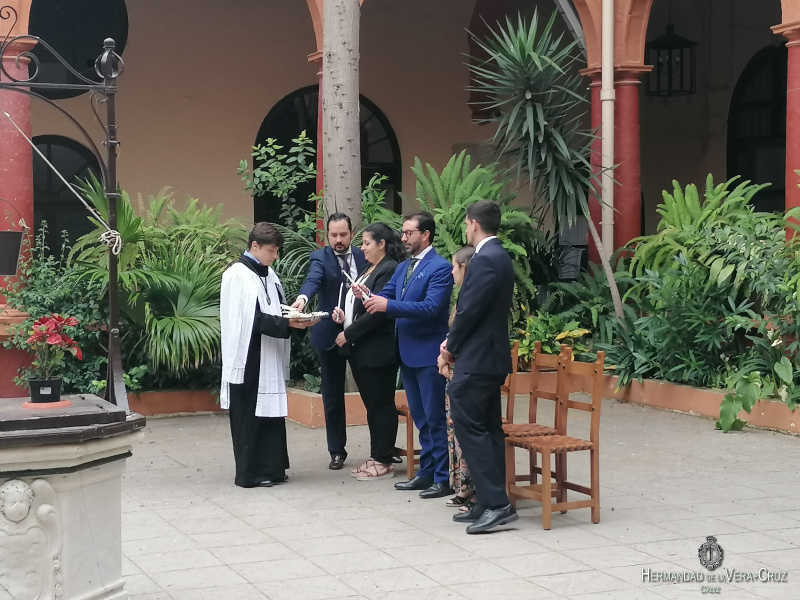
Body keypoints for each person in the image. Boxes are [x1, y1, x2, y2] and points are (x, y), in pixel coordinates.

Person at [362, 211, 454, 499]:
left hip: (428, 353)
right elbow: (386, 295)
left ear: (425, 234)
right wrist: (364, 294)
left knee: (434, 416)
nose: (402, 238)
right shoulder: (403, 267)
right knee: (421, 418)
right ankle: (426, 473)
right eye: (402, 233)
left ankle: (443, 477)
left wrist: (387, 306)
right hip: (406, 352)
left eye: (408, 233)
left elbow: (430, 308)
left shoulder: (440, 267)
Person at [220, 222, 316, 488]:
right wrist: (286, 324)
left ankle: (273, 468)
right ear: (255, 246)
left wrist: (294, 316)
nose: (275, 256)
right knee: (249, 414)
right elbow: (247, 319)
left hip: (268, 352)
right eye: (271, 251)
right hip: (248, 354)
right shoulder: (237, 275)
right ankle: (250, 473)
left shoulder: (268, 274)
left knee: (270, 412)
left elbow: (274, 308)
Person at [441, 200, 518, 534]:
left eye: (466, 224)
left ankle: (497, 503)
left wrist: (449, 348)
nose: (466, 229)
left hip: (478, 358)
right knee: (487, 429)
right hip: (489, 357)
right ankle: (488, 501)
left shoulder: (486, 259)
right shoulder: (499, 256)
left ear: (472, 223)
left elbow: (469, 310)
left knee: (470, 427)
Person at [291, 213, 368, 470]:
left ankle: (382, 450)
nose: (338, 240)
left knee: (373, 393)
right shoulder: (319, 258)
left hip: (361, 332)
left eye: (343, 235)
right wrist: (302, 299)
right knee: (332, 397)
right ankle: (336, 451)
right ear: (327, 235)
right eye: (333, 235)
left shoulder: (364, 256)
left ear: (351, 233)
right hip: (329, 336)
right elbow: (312, 281)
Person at [332, 223, 405, 480]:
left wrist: (348, 334)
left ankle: (383, 459)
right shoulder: (369, 268)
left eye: (366, 243)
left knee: (381, 405)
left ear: (381, 244)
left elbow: (378, 312)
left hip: (377, 349)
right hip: (361, 350)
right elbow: (364, 303)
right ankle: (377, 455)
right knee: (372, 405)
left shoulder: (389, 268)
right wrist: (344, 317)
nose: (361, 248)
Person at [438, 245, 476, 508]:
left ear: (464, 267)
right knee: (455, 431)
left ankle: (472, 487)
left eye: (454, 266)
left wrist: (446, 355)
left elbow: (465, 334)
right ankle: (462, 486)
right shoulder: (463, 295)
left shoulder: (472, 297)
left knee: (466, 432)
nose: (451, 272)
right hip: (453, 369)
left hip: (465, 370)